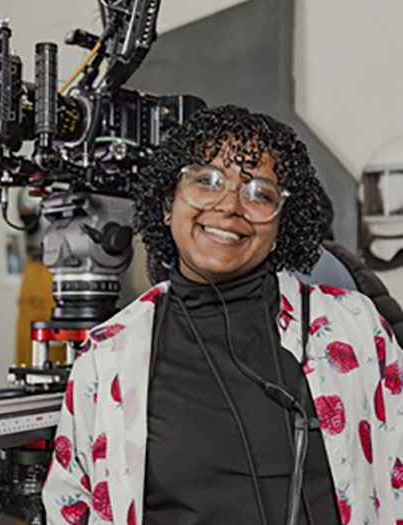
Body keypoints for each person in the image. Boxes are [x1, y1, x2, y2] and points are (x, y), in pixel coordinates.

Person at [42, 104, 403, 525]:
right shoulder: (109, 354)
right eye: (206, 181)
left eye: (260, 193)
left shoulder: (353, 327)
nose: (230, 205)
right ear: (168, 204)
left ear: (280, 226)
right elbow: (70, 506)